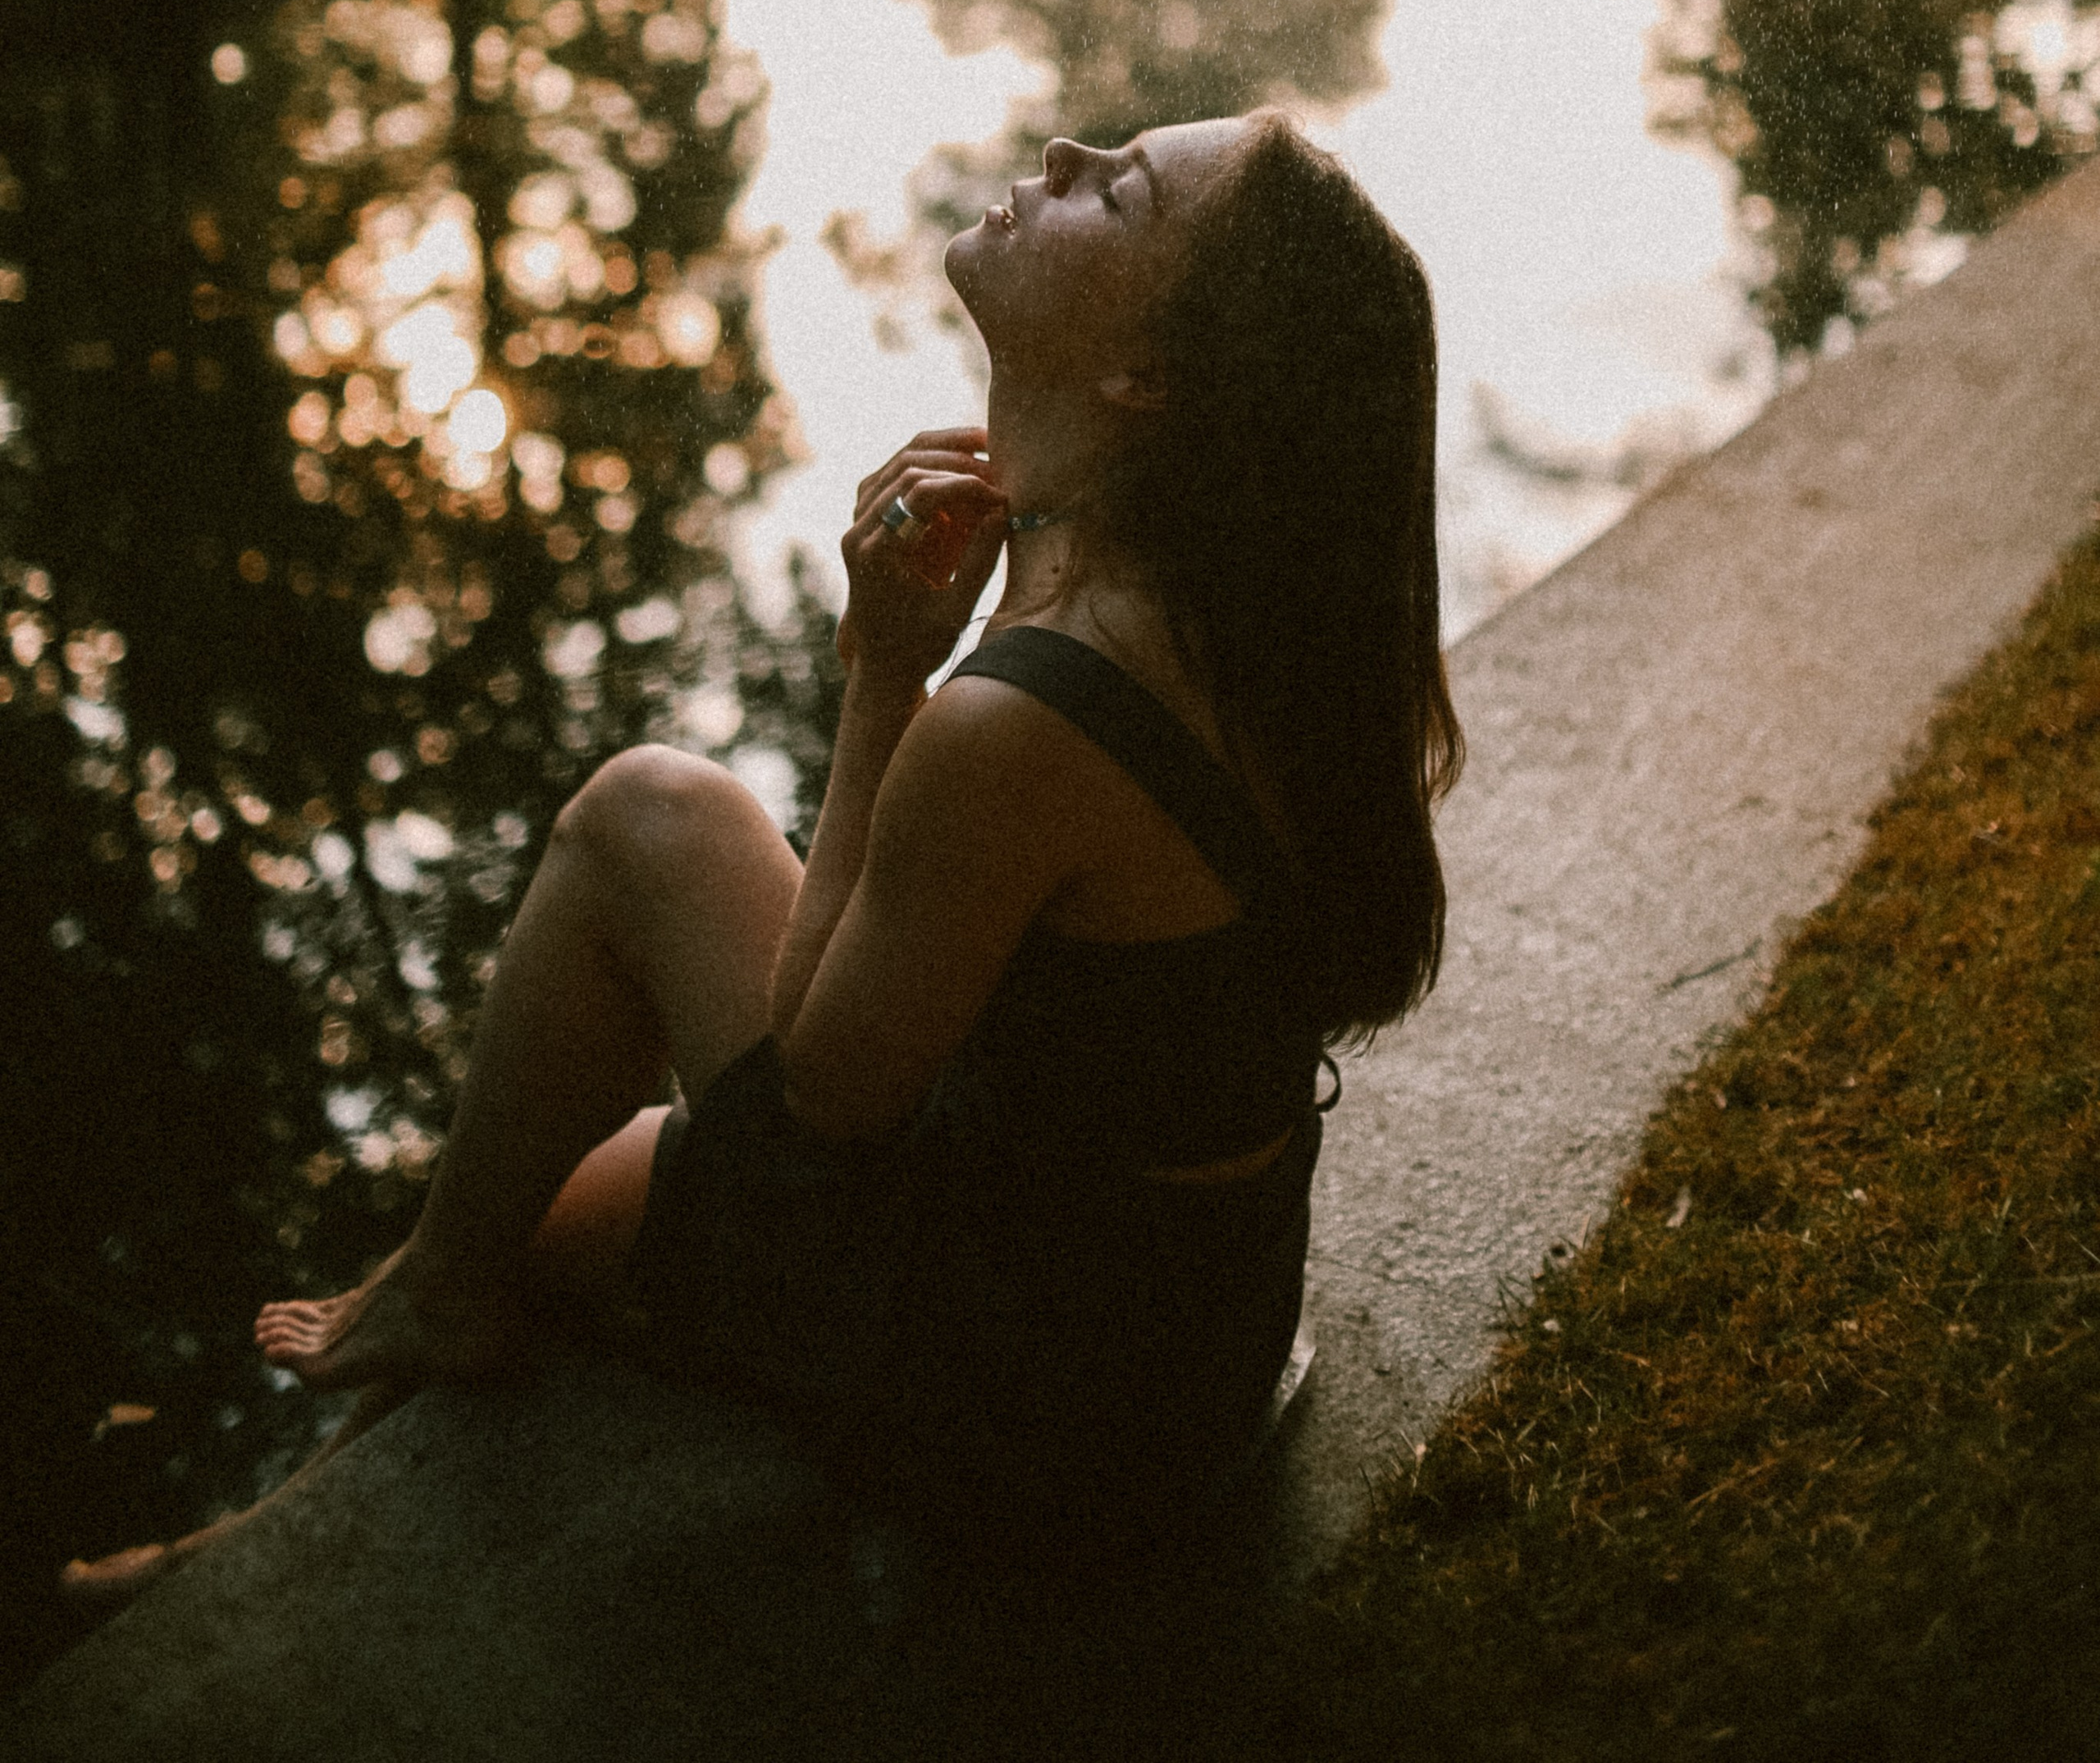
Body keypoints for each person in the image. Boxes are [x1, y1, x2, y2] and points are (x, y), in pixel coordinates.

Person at [64, 112, 1460, 1596]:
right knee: (579, 1086)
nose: (1063, 152)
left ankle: (315, 1461)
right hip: (1183, 1324)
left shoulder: (1033, 716)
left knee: (618, 900)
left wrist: (883, 672)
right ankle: (362, 1393)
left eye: (1116, 195)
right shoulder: (1226, 609)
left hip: (1055, 1417)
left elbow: (824, 1092)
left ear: (1146, 379)